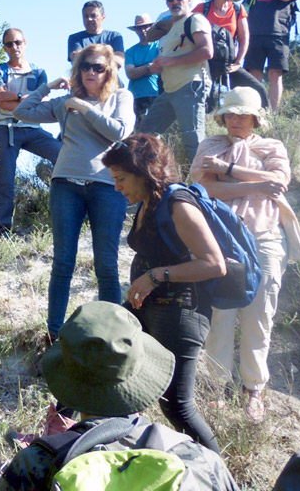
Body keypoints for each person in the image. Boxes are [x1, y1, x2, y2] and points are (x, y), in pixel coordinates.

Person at [0, 302, 239, 491]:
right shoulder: (202, 462)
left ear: (69, 381)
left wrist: (63, 442)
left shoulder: (36, 465)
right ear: (142, 375)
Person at [102, 134, 226, 453]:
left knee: (177, 406)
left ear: (143, 172)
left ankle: (221, 476)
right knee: (104, 354)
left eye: (120, 179)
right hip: (150, 309)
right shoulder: (148, 202)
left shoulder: (177, 203)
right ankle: (69, 429)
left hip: (182, 313)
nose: (116, 187)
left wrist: (157, 276)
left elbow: (215, 264)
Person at [13, 44, 135, 342]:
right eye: (86, 66)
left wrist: (85, 108)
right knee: (63, 262)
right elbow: (21, 111)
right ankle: (54, 335)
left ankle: (113, 338)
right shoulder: (66, 101)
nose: (91, 72)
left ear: (109, 72)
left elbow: (120, 132)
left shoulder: (121, 97)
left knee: (106, 263)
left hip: (107, 187)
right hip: (66, 184)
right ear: (78, 70)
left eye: (99, 67)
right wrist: (49, 86)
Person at [190, 87, 291, 421]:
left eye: (242, 114)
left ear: (255, 118)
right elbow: (205, 188)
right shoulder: (211, 145)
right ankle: (216, 386)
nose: (235, 119)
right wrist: (257, 184)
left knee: (259, 314)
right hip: (221, 238)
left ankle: (254, 389)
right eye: (230, 113)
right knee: (220, 313)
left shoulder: (271, 146)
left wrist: (229, 170)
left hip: (263, 237)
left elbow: (280, 181)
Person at [0, 28, 62, 237]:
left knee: (64, 155)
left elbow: (45, 102)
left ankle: (67, 212)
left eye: (18, 42)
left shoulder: (39, 72)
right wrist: (26, 98)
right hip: (8, 128)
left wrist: (17, 99)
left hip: (33, 128)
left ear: (25, 43)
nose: (15, 47)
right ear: (4, 47)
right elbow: (1, 100)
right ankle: (2, 231)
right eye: (10, 44)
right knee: (5, 179)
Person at [136, 0, 213, 163]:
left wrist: (170, 61)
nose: (175, 1)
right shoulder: (172, 28)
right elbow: (172, 60)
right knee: (144, 136)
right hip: (170, 90)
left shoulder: (195, 19)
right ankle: (151, 177)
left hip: (190, 86)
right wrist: (158, 67)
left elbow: (207, 51)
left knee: (194, 140)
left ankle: (208, 188)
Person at [234, 0, 300, 112]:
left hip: (279, 35)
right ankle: (256, 111)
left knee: (275, 74)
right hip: (253, 35)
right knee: (254, 74)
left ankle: (274, 114)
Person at [194, 0, 271, 110]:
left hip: (229, 64)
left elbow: (244, 38)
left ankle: (265, 119)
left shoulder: (237, 9)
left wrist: (238, 62)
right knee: (208, 101)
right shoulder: (202, 9)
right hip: (205, 64)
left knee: (258, 89)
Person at [124, 14, 160, 123]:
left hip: (156, 93)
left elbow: (160, 67)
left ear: (151, 27)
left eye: (145, 27)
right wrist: (149, 66)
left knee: (158, 130)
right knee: (137, 131)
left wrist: (139, 70)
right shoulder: (130, 51)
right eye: (139, 28)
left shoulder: (160, 46)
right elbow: (130, 73)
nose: (143, 30)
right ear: (135, 30)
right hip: (136, 96)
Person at [66, 1, 125, 67]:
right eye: (86, 16)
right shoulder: (75, 38)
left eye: (93, 15)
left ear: (103, 17)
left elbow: (119, 61)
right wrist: (107, 55)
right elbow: (75, 58)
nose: (89, 19)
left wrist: (86, 55)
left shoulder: (114, 36)